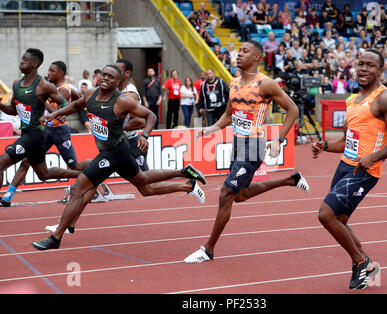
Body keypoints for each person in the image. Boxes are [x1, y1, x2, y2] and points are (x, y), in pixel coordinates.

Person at [30, 64, 207, 250]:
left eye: (111, 77)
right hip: (114, 151)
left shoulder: (122, 101)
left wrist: (145, 136)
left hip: (114, 152)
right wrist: (55, 114)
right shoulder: (90, 93)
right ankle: (184, 172)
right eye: (104, 74)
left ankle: (56, 237)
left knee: (77, 188)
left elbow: (150, 116)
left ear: (118, 82)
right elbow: (76, 104)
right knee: (144, 184)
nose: (106, 78)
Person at [184, 40, 310, 263]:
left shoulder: (266, 84)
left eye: (244, 51)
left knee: (225, 195)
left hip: (254, 146)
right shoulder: (232, 83)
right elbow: (229, 116)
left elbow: (292, 109)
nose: (238, 54)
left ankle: (208, 250)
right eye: (238, 51)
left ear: (257, 58)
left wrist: (279, 140)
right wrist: (210, 129)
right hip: (237, 143)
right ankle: (290, 180)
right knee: (239, 195)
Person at [311, 49, 387, 290]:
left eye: (370, 65)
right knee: (340, 220)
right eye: (361, 64)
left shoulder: (385, 99)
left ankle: (360, 260)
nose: (364, 69)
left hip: (364, 171)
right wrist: (325, 147)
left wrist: (374, 156)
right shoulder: (352, 100)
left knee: (326, 215)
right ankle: (370, 266)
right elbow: (346, 143)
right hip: (345, 166)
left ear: (380, 70)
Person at [0, 60, 91, 207]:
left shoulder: (64, 89)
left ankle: (91, 170)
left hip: (59, 132)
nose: (48, 73)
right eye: (48, 70)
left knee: (75, 166)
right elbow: (76, 104)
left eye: (52, 71)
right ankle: (7, 196)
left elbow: (71, 104)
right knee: (28, 164)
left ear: (61, 73)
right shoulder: (45, 87)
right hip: (44, 130)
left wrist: (62, 110)